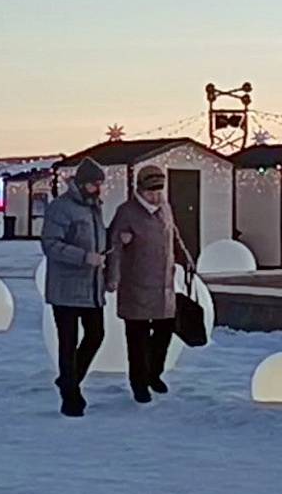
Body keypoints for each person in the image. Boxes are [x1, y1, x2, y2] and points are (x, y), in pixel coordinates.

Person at [106, 166, 194, 403]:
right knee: (137, 338)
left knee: (165, 332)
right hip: (136, 285)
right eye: (151, 192)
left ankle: (154, 374)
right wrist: (112, 278)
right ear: (140, 190)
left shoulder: (165, 209)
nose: (156, 196)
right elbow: (114, 248)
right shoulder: (126, 213)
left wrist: (185, 257)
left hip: (163, 284)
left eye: (159, 191)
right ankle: (139, 383)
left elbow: (173, 235)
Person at [41, 158, 108, 417]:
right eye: (94, 184)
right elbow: (50, 244)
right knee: (68, 343)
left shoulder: (95, 208)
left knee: (96, 335)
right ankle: (71, 396)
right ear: (81, 184)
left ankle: (69, 378)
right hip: (66, 290)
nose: (99, 189)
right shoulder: (61, 208)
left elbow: (99, 239)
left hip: (92, 288)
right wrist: (83, 257)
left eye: (101, 184)